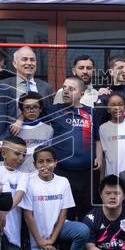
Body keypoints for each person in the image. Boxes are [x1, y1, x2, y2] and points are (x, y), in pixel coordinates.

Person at [21, 146, 91, 250]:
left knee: (82, 230)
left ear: (56, 162)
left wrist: (52, 239)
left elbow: (63, 214)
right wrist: (40, 241)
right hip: (37, 236)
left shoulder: (63, 181)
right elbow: (28, 215)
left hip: (58, 231)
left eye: (49, 161)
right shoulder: (29, 182)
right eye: (41, 162)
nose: (45, 165)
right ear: (34, 165)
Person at [48, 76, 101, 220]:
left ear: (82, 94)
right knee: (65, 213)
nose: (66, 91)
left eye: (71, 89)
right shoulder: (53, 110)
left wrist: (99, 157)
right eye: (64, 88)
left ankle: (88, 241)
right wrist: (20, 118)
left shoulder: (91, 112)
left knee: (87, 213)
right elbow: (30, 108)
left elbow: (97, 138)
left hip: (87, 173)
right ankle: (63, 242)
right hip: (62, 172)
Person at [5, 92, 52, 172]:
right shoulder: (15, 128)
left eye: (35, 107)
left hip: (39, 175)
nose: (31, 110)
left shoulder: (49, 129)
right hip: (18, 174)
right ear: (21, 110)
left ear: (40, 109)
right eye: (27, 107)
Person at [99, 92, 125, 180]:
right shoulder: (103, 128)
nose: (117, 108)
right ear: (108, 109)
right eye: (113, 105)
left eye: (120, 104)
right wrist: (101, 179)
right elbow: (103, 156)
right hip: (112, 176)